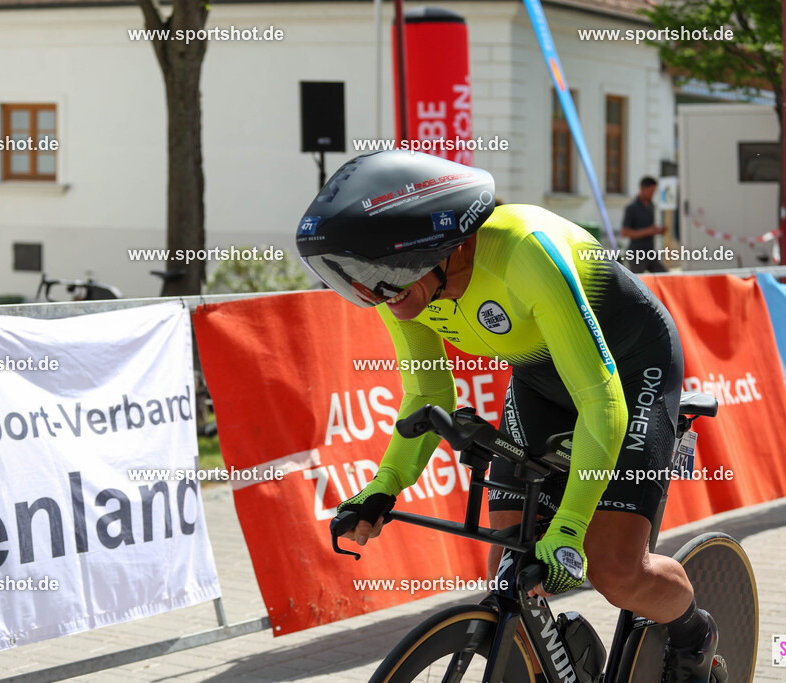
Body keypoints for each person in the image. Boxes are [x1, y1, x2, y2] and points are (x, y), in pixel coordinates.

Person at [296, 151, 718, 682]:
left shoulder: (522, 251)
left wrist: (568, 527)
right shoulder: (406, 288)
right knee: (511, 572)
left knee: (612, 568)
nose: (369, 292)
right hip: (543, 382)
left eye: (375, 273)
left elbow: (601, 400)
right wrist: (384, 487)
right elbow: (428, 392)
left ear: (430, 249)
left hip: (630, 375)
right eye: (355, 276)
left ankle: (693, 634)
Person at [621, 176, 668, 273]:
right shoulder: (632, 208)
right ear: (642, 189)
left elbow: (649, 228)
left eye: (654, 192)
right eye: (650, 191)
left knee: (664, 276)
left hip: (650, 251)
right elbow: (624, 232)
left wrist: (657, 231)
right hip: (636, 253)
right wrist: (647, 231)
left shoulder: (651, 206)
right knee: (637, 281)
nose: (652, 194)